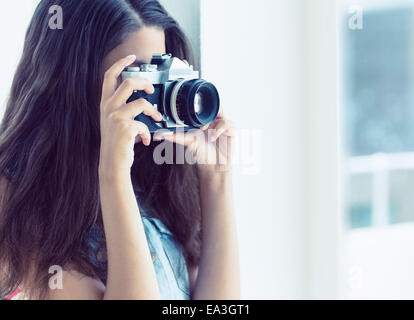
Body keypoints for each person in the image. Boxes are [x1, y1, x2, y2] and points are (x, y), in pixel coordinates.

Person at [0, 0, 239, 300]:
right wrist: (113, 173)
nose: (152, 94)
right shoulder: (16, 201)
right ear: (74, 82)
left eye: (160, 71)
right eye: (138, 78)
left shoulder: (156, 180)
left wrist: (216, 179)